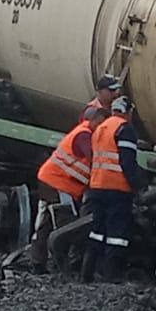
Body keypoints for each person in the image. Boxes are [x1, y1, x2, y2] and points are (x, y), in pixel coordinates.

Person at [30, 105, 107, 273]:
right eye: (100, 123)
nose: (102, 127)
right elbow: (95, 159)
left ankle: (39, 261)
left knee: (47, 223)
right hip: (57, 183)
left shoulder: (85, 133)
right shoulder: (84, 135)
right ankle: (64, 266)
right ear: (92, 121)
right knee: (66, 224)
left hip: (53, 181)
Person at [83, 95, 141, 283]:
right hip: (117, 188)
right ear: (128, 112)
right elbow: (127, 162)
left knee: (97, 231)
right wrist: (137, 187)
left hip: (98, 186)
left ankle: (89, 272)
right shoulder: (125, 129)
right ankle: (111, 275)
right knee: (117, 234)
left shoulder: (102, 128)